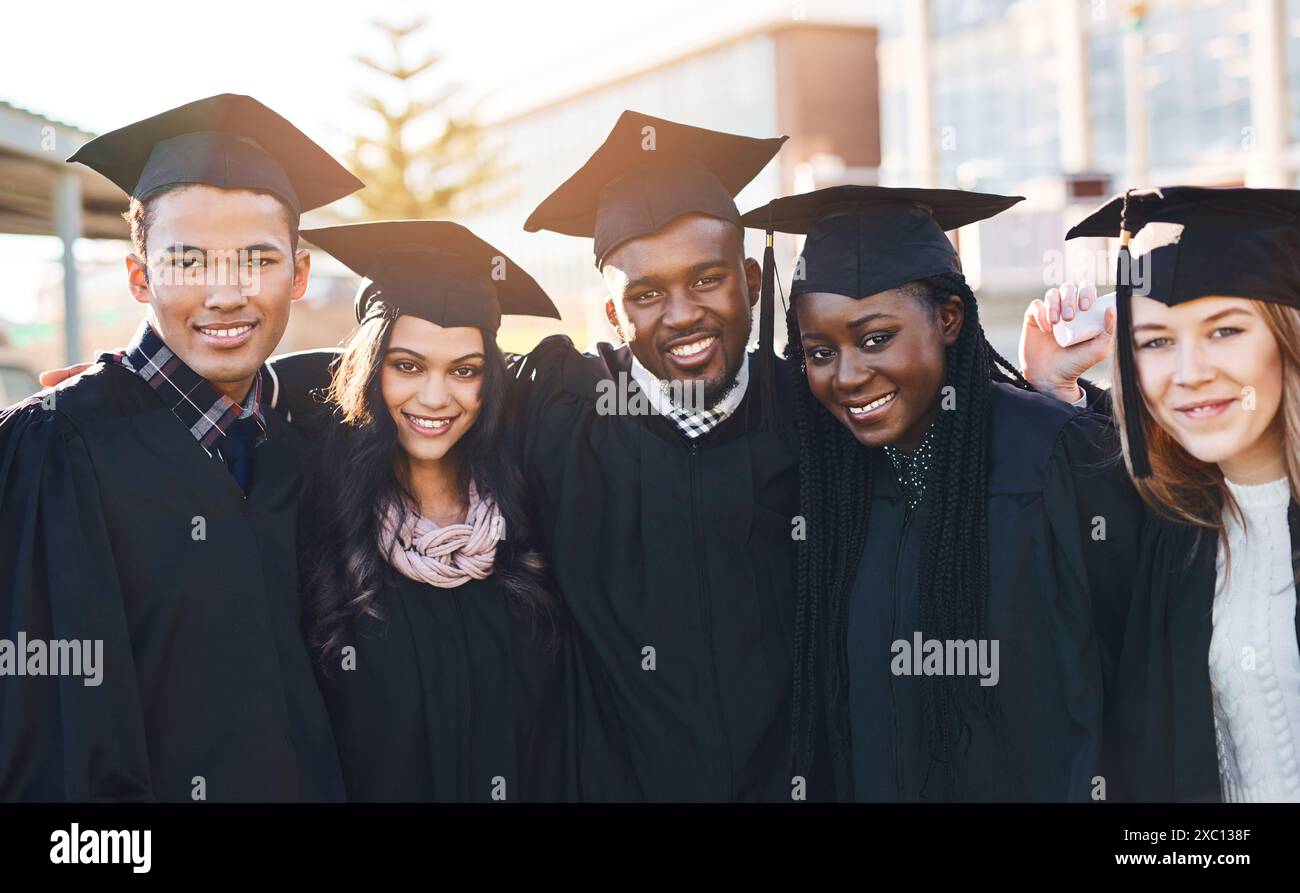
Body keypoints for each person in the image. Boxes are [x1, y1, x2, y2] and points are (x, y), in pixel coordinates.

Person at [0, 94, 362, 801]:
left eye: (258, 258)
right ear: (141, 277)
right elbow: (46, 748)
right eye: (188, 260)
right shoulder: (52, 454)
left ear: (300, 273)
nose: (225, 294)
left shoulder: (316, 442)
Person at [740, 185, 1140, 801]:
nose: (847, 376)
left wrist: (1067, 402)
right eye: (820, 352)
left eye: (876, 338)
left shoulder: (1050, 455)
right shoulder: (831, 484)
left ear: (949, 319)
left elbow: (1136, 680)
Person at [1025, 186, 1300, 802]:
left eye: (1225, 329)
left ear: (1288, 336)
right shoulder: (1172, 532)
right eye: (1154, 341)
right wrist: (1051, 391)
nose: (1190, 371)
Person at [290, 220, 574, 802]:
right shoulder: (314, 512)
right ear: (371, 369)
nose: (436, 397)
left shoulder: (534, 505)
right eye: (408, 366)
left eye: (465, 371)